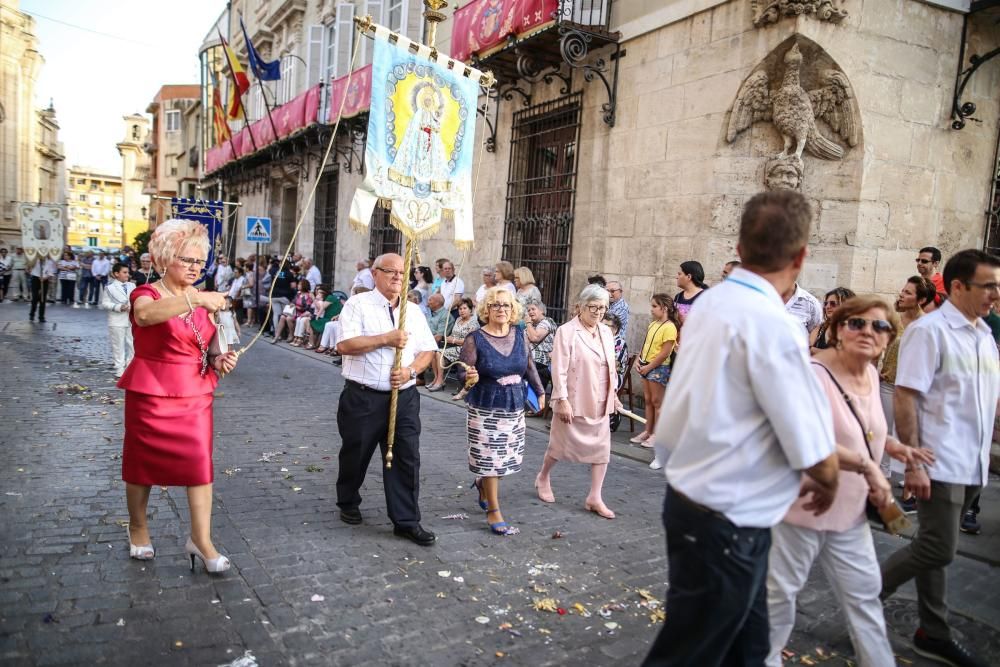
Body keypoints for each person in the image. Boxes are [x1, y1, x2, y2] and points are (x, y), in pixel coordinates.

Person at [642, 190, 839, 667]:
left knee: (748, 649)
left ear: (740, 245)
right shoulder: (774, 325)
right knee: (687, 653)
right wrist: (829, 478)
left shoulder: (711, 304)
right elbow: (810, 443)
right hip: (727, 519)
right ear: (801, 255)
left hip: (702, 504)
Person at [767, 296, 934, 667]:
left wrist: (895, 448)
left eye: (880, 326)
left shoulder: (871, 375)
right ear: (838, 329)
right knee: (778, 599)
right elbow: (802, 438)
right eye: (856, 323)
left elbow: (865, 431)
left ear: (890, 337)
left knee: (864, 598)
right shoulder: (811, 374)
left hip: (852, 511)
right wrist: (869, 467)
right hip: (804, 506)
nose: (868, 332)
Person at [881, 249, 1000, 667]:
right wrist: (913, 462)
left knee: (934, 546)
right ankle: (866, 594)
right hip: (939, 462)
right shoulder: (929, 332)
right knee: (938, 549)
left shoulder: (984, 334)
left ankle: (932, 632)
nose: (995, 293)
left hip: (973, 465)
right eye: (988, 285)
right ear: (956, 286)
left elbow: (987, 400)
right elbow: (907, 396)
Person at [119, 219, 237, 573]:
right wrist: (196, 298)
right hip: (150, 390)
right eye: (187, 260)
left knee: (200, 465)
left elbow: (213, 347)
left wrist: (220, 359)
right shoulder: (146, 294)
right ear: (164, 258)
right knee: (141, 466)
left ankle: (201, 539)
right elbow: (145, 317)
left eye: (200, 263)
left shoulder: (204, 301)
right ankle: (138, 528)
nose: (195, 268)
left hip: (195, 391)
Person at [335, 253, 438, 546]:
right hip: (363, 397)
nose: (397, 277)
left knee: (406, 458)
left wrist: (410, 371)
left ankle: (406, 520)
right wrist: (386, 338)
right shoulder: (358, 304)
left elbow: (427, 351)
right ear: (374, 273)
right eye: (390, 271)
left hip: (403, 397)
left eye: (402, 273)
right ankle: (348, 500)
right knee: (356, 454)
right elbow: (344, 345)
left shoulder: (413, 311)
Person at [459, 288, 545, 535]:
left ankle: (483, 484)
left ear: (513, 310)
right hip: (485, 406)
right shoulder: (475, 338)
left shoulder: (520, 334)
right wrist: (469, 376)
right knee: (490, 460)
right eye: (495, 305)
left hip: (514, 404)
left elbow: (528, 365)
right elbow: (463, 372)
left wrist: (540, 391)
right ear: (486, 309)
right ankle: (493, 511)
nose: (501, 310)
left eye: (506, 306)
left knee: (508, 459)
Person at [534, 284, 622, 519]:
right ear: (581, 306)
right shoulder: (567, 331)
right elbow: (559, 368)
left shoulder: (605, 331)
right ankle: (543, 476)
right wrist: (561, 399)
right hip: (575, 398)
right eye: (593, 307)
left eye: (603, 308)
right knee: (559, 446)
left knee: (602, 449)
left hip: (601, 400)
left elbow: (610, 367)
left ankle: (595, 496)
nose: (598, 312)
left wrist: (614, 395)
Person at [878, 276, 936, 490]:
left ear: (921, 300)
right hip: (888, 382)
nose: (901, 294)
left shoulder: (927, 324)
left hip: (913, 387)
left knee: (912, 431)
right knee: (883, 429)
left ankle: (910, 475)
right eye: (902, 290)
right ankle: (883, 473)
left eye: (908, 293)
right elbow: (878, 344)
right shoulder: (892, 318)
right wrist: (874, 370)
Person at [630, 294, 680, 453]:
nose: (651, 310)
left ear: (664, 308)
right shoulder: (653, 324)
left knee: (658, 402)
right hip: (646, 366)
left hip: (658, 368)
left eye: (654, 306)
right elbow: (645, 344)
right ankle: (648, 430)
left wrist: (649, 366)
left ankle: (657, 434)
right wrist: (639, 360)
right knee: (649, 400)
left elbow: (664, 353)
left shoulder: (670, 327)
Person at [102, 262, 135, 378]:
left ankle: (130, 367)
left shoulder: (132, 286)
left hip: (131, 320)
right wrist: (118, 307)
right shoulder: (109, 288)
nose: (127, 275)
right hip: (116, 321)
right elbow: (104, 303)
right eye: (124, 272)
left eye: (128, 272)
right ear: (116, 274)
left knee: (133, 345)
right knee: (118, 346)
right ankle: (119, 369)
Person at [441, 298, 479, 395]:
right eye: (460, 309)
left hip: (465, 350)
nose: (461, 311)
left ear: (470, 309)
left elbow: (468, 341)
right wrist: (449, 338)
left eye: (464, 308)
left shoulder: (473, 323)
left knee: (439, 353)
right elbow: (454, 334)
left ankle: (440, 381)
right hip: (454, 346)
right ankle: (438, 380)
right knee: (435, 352)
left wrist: (453, 340)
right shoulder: (458, 319)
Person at [809, 287, 856, 353]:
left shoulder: (854, 330)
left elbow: (843, 356)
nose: (827, 307)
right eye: (826, 303)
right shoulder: (820, 328)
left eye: (833, 303)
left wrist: (812, 350)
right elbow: (806, 350)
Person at [525, 302, 557, 392]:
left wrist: (527, 323)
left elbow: (535, 338)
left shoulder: (547, 322)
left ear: (542, 311)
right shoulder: (531, 326)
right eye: (528, 310)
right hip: (528, 364)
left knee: (535, 396)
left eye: (533, 309)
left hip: (540, 365)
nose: (530, 312)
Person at [273, 278, 312, 344]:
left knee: (288, 318)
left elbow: (307, 308)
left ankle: (291, 334)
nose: (298, 285)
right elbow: (293, 301)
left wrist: (296, 307)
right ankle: (277, 336)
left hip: (301, 313)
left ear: (304, 286)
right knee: (282, 317)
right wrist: (292, 304)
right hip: (294, 312)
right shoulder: (298, 294)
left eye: (300, 284)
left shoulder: (308, 296)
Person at [424, 293, 450, 391]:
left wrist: (423, 342)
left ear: (437, 303)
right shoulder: (431, 312)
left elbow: (439, 336)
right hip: (429, 341)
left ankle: (439, 380)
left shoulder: (444, 315)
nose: (428, 302)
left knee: (433, 351)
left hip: (441, 344)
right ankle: (436, 378)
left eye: (430, 300)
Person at [307, 285, 343, 350]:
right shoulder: (327, 298)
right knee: (311, 321)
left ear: (325, 292)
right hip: (328, 317)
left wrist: (317, 316)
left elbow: (322, 308)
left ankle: (313, 343)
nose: (319, 294)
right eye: (318, 292)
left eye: (320, 292)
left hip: (331, 318)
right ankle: (314, 343)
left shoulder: (330, 297)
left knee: (312, 322)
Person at [268, 262, 296, 336]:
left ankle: (277, 334)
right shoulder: (289, 273)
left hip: (274, 295)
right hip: (285, 296)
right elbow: (293, 286)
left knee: (276, 314)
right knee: (286, 314)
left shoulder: (274, 271)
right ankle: (286, 333)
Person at [916, 246, 947, 310]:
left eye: (924, 261)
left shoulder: (944, 282)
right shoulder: (915, 282)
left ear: (935, 263)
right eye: (918, 260)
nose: (919, 263)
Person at [28, 254, 56, 322]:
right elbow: (29, 267)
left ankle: (41, 316)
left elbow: (51, 273)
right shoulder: (35, 260)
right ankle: (32, 314)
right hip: (35, 278)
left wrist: (45, 278)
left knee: (42, 298)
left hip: (44, 280)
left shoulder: (49, 262)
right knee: (35, 297)